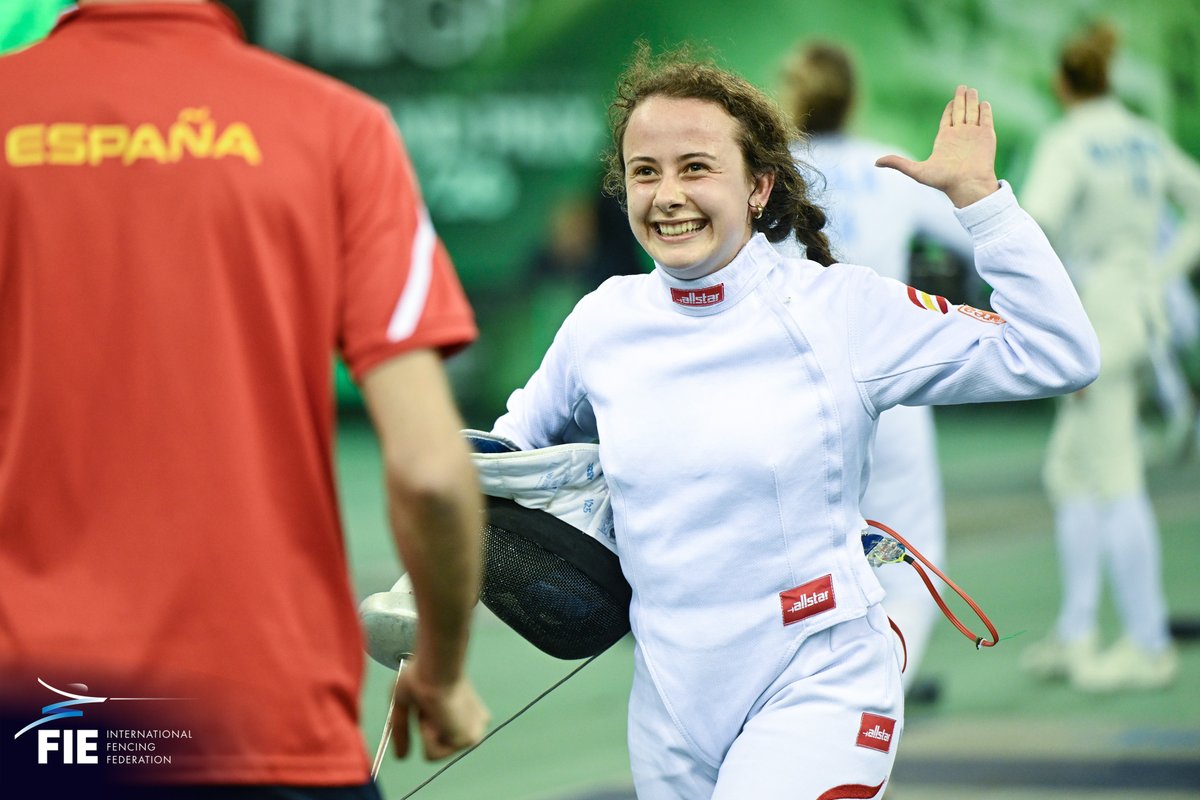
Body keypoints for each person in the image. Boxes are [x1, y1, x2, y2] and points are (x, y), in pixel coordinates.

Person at [489, 43, 1098, 799]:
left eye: (696, 167)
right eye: (646, 172)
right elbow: (505, 454)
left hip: (821, 683)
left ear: (758, 187)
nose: (668, 194)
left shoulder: (838, 309)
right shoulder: (602, 323)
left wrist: (982, 200)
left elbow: (1059, 352)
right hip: (669, 707)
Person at [0, 1, 488, 796]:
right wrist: (440, 669)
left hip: (31, 726)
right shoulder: (340, 128)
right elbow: (432, 471)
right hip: (266, 723)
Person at [776, 40, 977, 697]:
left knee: (800, 551)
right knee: (911, 553)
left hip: (797, 387)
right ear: (851, 96)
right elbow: (975, 230)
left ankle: (815, 691)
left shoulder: (771, 173)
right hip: (890, 376)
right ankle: (878, 688)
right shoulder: (886, 162)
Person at [1018, 20, 1200, 692]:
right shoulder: (1142, 138)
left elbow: (1032, 230)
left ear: (1060, 82)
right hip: (1131, 313)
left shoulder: (1068, 142)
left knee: (1114, 477)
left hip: (1091, 320)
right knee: (1070, 471)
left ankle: (1150, 645)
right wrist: (1160, 272)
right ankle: (1076, 631)